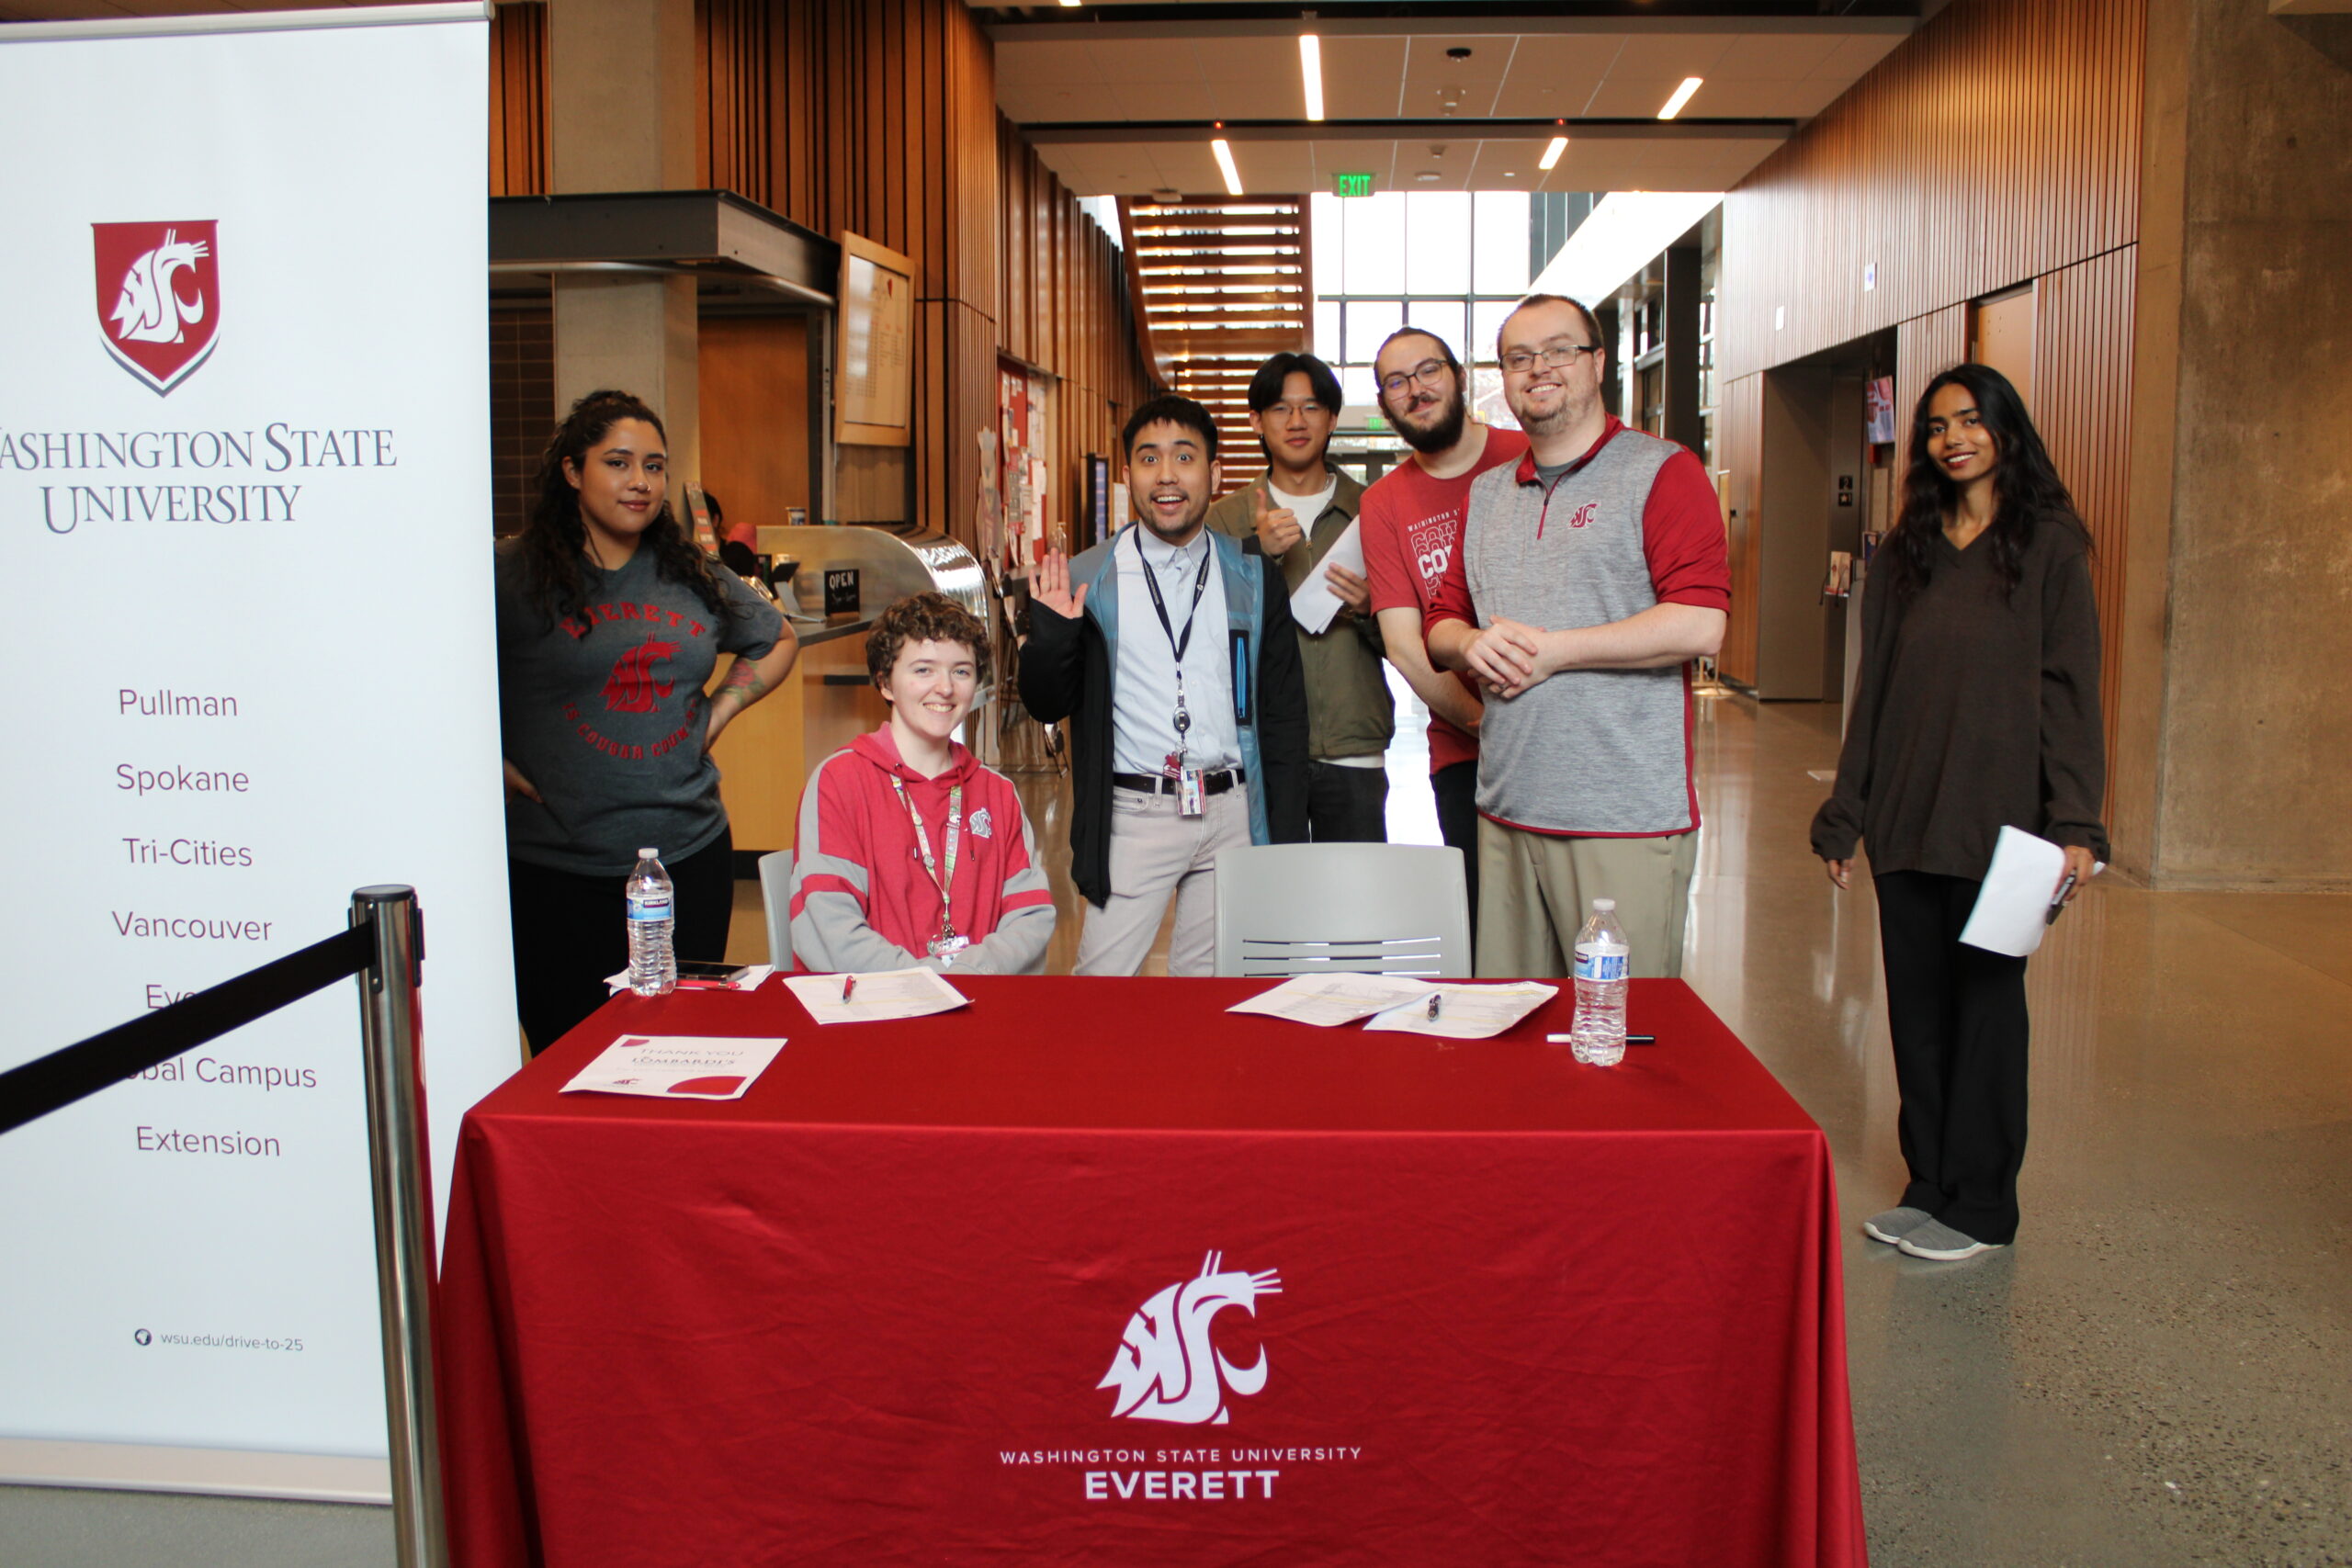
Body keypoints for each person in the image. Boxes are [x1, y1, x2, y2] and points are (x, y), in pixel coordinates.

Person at [1812, 363, 2106, 1263]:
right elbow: (1876, 689)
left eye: (1970, 421)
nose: (1952, 439)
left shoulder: (2050, 544)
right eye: (1936, 426)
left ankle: (1982, 1205)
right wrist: (1846, 811)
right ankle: (1929, 1185)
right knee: (1918, 1015)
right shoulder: (1903, 553)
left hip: (2004, 831)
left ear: (2005, 430)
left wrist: (2077, 823)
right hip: (1908, 817)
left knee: (1985, 1015)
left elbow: (2069, 692)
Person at [1425, 294, 1728, 980]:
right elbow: (1440, 620)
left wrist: (1556, 650)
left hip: (1620, 818)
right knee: (1516, 1039)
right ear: (1502, 380)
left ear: (1597, 363)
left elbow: (1701, 620)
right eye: (1519, 358)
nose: (1540, 368)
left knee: (1617, 1039)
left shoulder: (1661, 471)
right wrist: (1468, 643)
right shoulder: (1488, 493)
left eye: (1560, 349)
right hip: (1506, 809)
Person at [495, 389, 798, 1052]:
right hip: (557, 872)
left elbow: (776, 639)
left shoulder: (691, 573)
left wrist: (721, 708)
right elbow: (432, 677)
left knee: (677, 1048)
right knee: (570, 1058)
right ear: (573, 471)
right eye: (619, 462)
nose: (640, 482)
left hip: (688, 858)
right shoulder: (512, 577)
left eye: (655, 466)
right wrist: (484, 758)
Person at [1018, 394, 1309, 976]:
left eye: (1185, 457)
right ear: (1127, 476)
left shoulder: (1251, 576)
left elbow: (1283, 715)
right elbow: (1046, 702)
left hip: (1231, 810)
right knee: (1102, 991)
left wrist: (1285, 834)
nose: (1168, 475)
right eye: (1149, 459)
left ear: (1215, 472)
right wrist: (1052, 633)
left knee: (1209, 992)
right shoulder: (1088, 578)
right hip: (1136, 814)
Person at [1358, 327, 1532, 926]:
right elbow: (1405, 647)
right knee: (1488, 931)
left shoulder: (1526, 454)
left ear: (1458, 376)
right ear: (1386, 405)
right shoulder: (1384, 502)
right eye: (1396, 382)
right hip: (1463, 750)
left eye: (1428, 370)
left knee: (1573, 928)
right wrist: (1487, 724)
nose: (1416, 388)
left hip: (1563, 743)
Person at [790, 592, 1055, 974]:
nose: (945, 688)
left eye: (961, 671)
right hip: (872, 1012)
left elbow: (1029, 916)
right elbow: (830, 928)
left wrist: (966, 974)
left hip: (977, 1003)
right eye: (923, 670)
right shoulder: (839, 782)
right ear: (884, 683)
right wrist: (924, 984)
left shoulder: (998, 793)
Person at [1204, 352, 1391, 841]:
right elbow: (1200, 636)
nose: (1296, 421)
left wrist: (1373, 608)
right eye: (1281, 409)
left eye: (1311, 408)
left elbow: (1411, 639)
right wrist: (1256, 555)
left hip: (1352, 746)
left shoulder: (1372, 511)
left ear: (1332, 419)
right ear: (1256, 422)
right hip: (1259, 749)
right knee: (1273, 907)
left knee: (1355, 909)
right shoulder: (1224, 521)